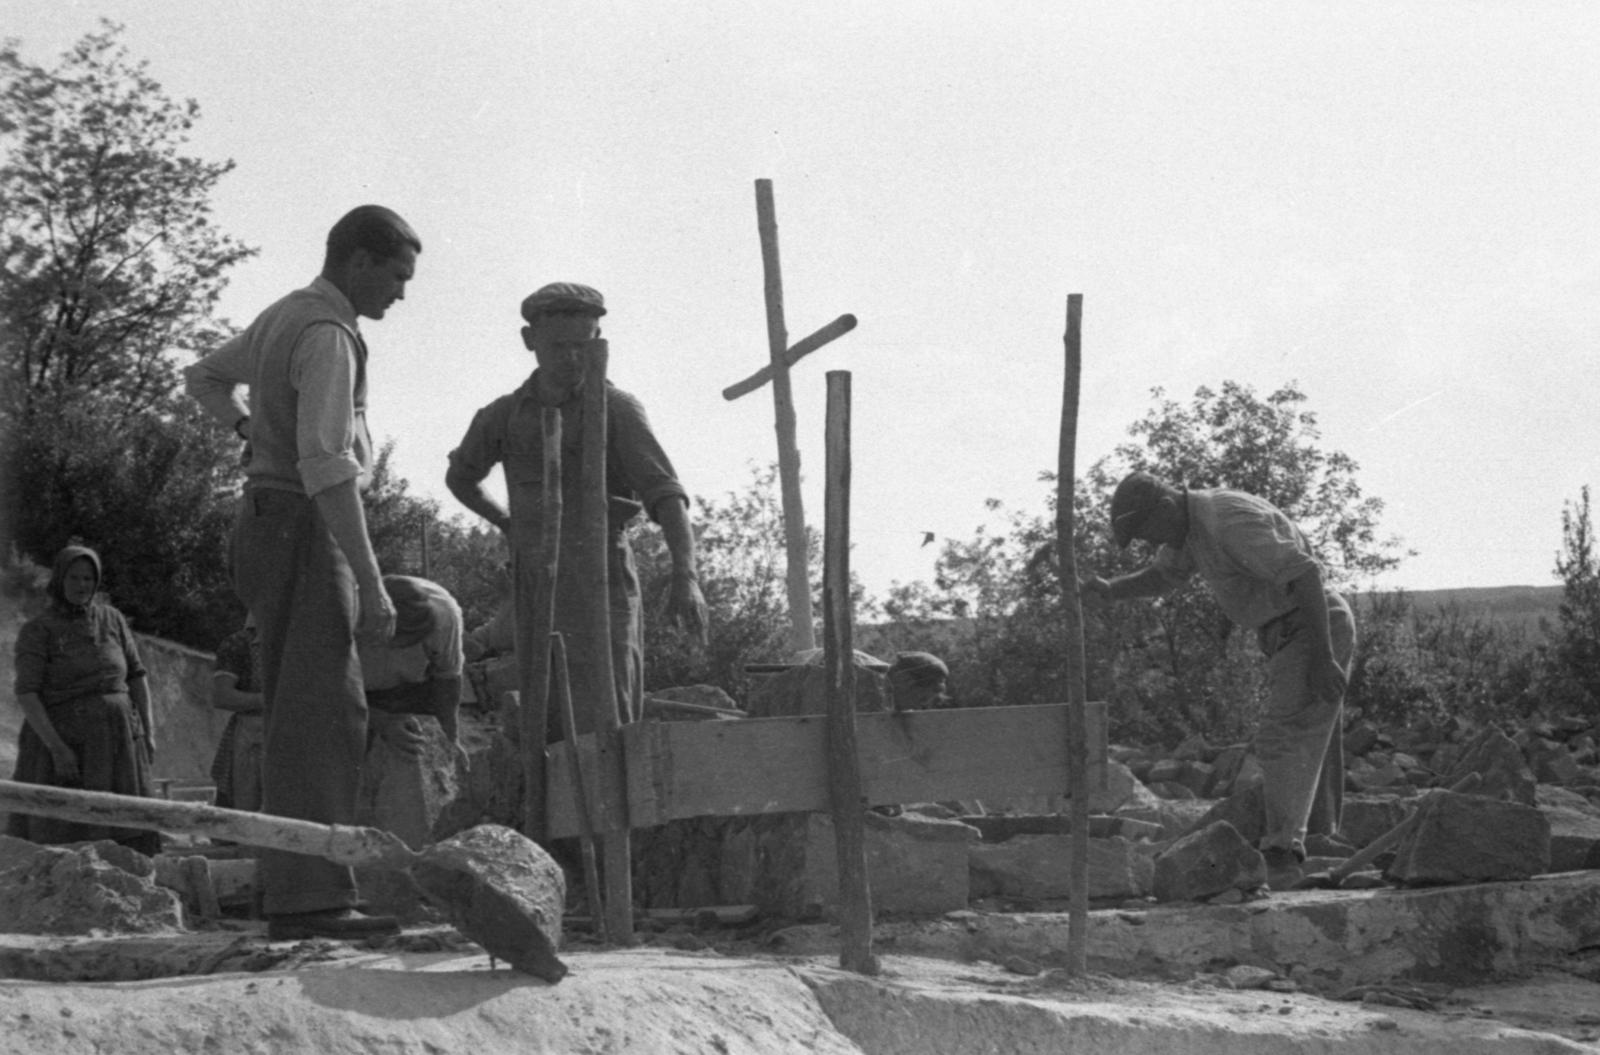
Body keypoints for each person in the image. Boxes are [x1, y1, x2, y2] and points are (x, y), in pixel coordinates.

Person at [183, 204, 420, 941]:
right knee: (325, 713)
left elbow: (203, 378)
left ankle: (289, 887)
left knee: (295, 711)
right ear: (357, 261)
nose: (402, 293)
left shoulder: (282, 316)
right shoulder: (328, 335)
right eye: (396, 275)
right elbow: (327, 465)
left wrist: (248, 428)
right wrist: (371, 577)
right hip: (301, 525)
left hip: (260, 519)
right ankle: (313, 898)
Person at [446, 282, 707, 737]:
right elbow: (460, 478)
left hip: (600, 584)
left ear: (598, 342)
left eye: (581, 346)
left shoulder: (616, 410)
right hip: (535, 587)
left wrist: (686, 574)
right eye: (557, 346)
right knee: (544, 719)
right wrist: (506, 522)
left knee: (608, 713)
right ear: (530, 341)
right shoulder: (504, 416)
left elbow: (666, 495)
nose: (570, 358)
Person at [1081, 471, 1356, 880]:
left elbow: (1305, 574)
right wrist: (1109, 589)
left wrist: (1322, 655)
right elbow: (1162, 577)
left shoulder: (1226, 520)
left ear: (1166, 507)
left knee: (1284, 735)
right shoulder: (1189, 530)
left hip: (1312, 624)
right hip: (1288, 629)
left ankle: (1282, 853)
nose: (1154, 544)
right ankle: (1317, 838)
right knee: (1313, 730)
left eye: (1149, 534)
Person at [209, 576, 467, 810]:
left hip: (412, 690)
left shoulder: (445, 617)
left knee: (414, 751)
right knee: (340, 768)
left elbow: (448, 681)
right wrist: (381, 721)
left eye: (406, 644)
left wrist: (450, 738)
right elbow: (326, 692)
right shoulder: (333, 619)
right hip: (351, 690)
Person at [8, 544, 161, 856]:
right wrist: (58, 749)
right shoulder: (39, 630)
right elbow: (27, 694)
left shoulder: (113, 619)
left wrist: (148, 730)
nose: (82, 586)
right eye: (74, 578)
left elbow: (136, 675)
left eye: (88, 579)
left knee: (130, 824)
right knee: (68, 833)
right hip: (67, 744)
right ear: (59, 580)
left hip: (120, 742)